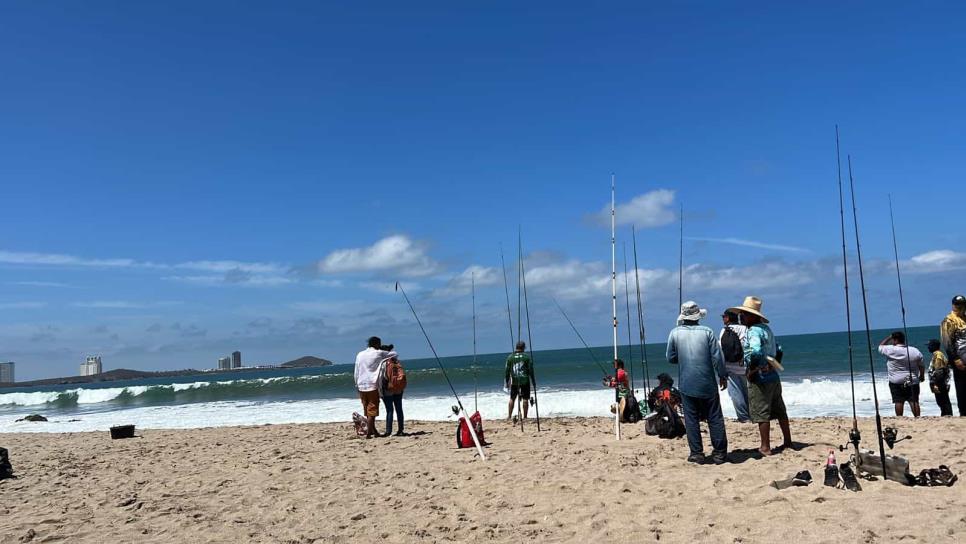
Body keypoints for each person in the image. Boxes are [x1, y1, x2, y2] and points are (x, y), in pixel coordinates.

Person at [666, 301, 729, 465]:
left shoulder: (675, 333)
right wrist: (722, 375)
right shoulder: (707, 332)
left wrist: (684, 358)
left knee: (691, 419)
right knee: (715, 418)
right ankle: (720, 454)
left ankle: (697, 454)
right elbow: (717, 357)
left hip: (687, 383)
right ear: (697, 316)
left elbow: (670, 358)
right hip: (708, 382)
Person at [729, 296, 791, 456]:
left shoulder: (753, 331)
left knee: (761, 412)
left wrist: (752, 371)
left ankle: (765, 447)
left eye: (744, 314)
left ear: (752, 316)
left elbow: (755, 351)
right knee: (779, 409)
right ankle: (788, 441)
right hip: (773, 375)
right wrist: (772, 364)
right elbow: (779, 349)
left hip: (760, 377)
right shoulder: (766, 329)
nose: (741, 317)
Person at [877, 331, 925, 417]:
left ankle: (900, 418)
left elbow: (881, 346)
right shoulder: (914, 350)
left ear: (895, 340)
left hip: (896, 381)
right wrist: (921, 375)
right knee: (913, 401)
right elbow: (921, 365)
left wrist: (889, 337)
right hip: (912, 380)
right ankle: (918, 418)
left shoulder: (890, 349)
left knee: (898, 401)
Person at [354, 336, 389, 439]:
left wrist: (356, 384)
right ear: (377, 344)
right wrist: (384, 350)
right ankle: (369, 434)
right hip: (372, 385)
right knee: (372, 412)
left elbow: (356, 371)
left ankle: (375, 432)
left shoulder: (360, 354)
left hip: (361, 385)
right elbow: (394, 354)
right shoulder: (378, 353)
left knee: (367, 411)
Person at [719, 310, 750, 423]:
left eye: (724, 316)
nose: (723, 319)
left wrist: (721, 369)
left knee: (736, 394)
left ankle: (743, 417)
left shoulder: (723, 331)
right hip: (743, 366)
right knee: (747, 392)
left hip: (729, 367)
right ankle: (751, 416)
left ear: (728, 318)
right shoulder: (744, 328)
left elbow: (721, 350)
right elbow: (747, 346)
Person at [940, 295, 966, 416]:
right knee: (962, 387)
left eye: (961, 304)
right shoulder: (949, 320)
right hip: (960, 359)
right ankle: (964, 412)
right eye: (956, 304)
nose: (959, 307)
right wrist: (955, 359)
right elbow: (947, 342)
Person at [377, 345, 406, 436]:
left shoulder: (383, 363)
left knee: (389, 410)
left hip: (388, 389)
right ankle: (400, 430)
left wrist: (380, 391)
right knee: (399, 409)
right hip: (398, 388)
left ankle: (388, 431)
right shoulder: (396, 361)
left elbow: (381, 377)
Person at [505, 340, 533, 421]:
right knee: (525, 398)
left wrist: (507, 381)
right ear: (523, 347)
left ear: (516, 347)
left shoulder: (510, 357)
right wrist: (533, 381)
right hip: (525, 381)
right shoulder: (526, 357)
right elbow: (530, 370)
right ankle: (525, 417)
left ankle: (509, 416)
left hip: (514, 381)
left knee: (512, 398)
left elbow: (507, 371)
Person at [927, 339, 953, 417]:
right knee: (942, 401)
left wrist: (935, 384)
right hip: (940, 382)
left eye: (929, 346)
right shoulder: (937, 354)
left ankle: (947, 415)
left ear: (933, 346)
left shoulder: (938, 356)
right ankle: (946, 415)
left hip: (940, 383)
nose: (928, 348)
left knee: (943, 401)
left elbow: (939, 371)